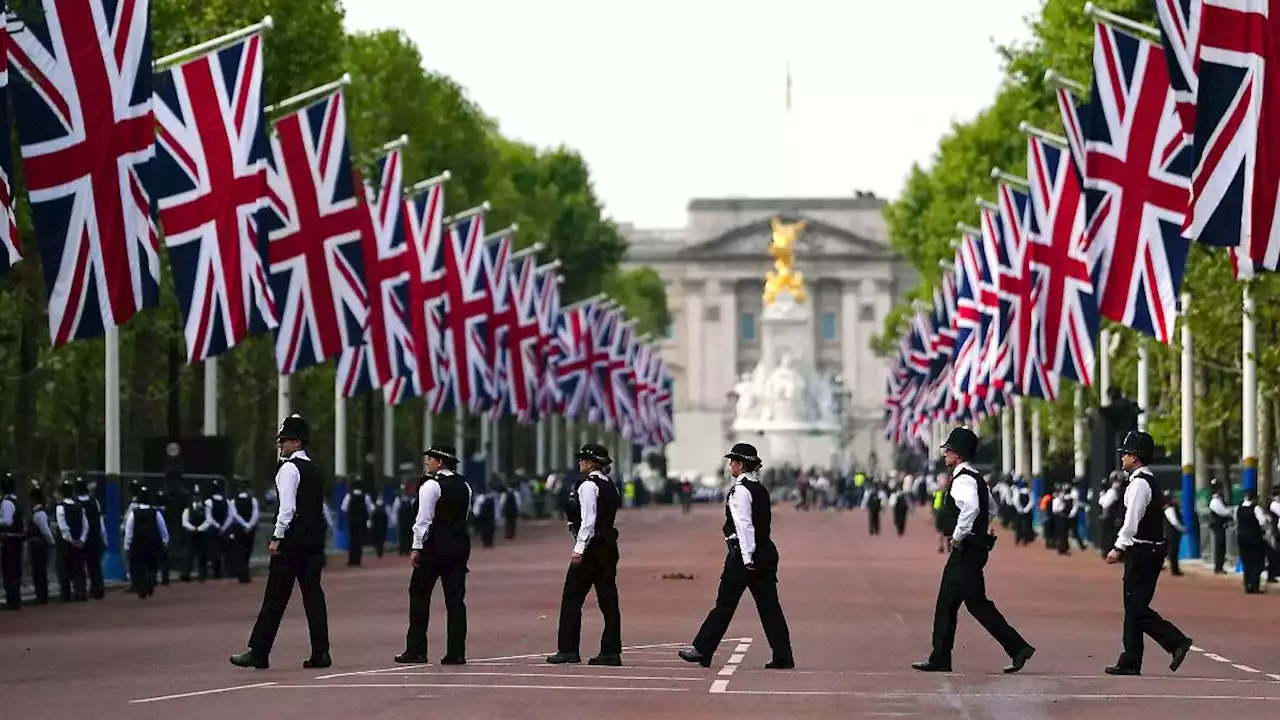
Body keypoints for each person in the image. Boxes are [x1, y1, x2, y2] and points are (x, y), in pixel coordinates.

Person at [912, 427, 1035, 674]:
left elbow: (971, 508)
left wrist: (959, 536)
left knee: (975, 604)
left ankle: (1017, 647)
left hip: (966, 549)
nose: (945, 454)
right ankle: (940, 656)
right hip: (974, 546)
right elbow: (990, 509)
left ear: (958, 453)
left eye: (948, 449)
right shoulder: (974, 476)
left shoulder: (964, 479)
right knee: (950, 602)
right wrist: (980, 530)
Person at [680, 443, 794, 670]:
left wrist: (748, 557)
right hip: (765, 553)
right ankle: (783, 655)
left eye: (733, 461)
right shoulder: (759, 488)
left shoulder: (740, 490)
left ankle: (703, 649)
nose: (730, 465)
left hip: (745, 557)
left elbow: (744, 526)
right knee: (770, 607)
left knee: (724, 605)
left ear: (740, 465)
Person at [231, 414, 331, 670]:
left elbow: (287, 507)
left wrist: (277, 536)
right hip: (313, 540)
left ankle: (259, 651)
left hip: (292, 540)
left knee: (275, 596)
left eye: (284, 440)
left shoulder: (288, 469)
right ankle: (321, 653)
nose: (280, 444)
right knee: (313, 597)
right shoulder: (315, 470)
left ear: (296, 442)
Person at [1103, 431, 1193, 676]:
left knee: (1136, 607)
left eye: (1126, 454)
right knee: (1134, 605)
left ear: (1135, 457)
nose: (1122, 458)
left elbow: (1132, 521)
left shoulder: (1140, 484)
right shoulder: (1143, 481)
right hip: (1147, 549)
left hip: (1142, 550)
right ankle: (1130, 659)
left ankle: (1175, 641)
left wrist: (1118, 547)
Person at [547, 443, 623, 666]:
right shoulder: (610, 485)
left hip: (592, 547)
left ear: (590, 463)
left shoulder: (588, 486)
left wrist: (579, 548)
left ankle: (568, 649)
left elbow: (589, 521)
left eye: (582, 459)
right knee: (608, 599)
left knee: (572, 596)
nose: (579, 462)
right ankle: (611, 651)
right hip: (609, 545)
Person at [397, 445, 472, 665]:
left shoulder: (431, 485)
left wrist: (416, 547)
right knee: (456, 600)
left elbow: (423, 520)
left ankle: (416, 649)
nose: (427, 462)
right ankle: (456, 652)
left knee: (419, 595)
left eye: (430, 459)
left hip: (434, 547)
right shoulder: (464, 485)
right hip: (458, 546)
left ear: (440, 462)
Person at [124, 485, 170, 599]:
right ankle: (150, 581)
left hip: (138, 543)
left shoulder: (133, 513)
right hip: (152, 543)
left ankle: (140, 587)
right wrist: (165, 540)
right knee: (152, 565)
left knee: (137, 566)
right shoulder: (155, 512)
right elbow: (162, 528)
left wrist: (127, 545)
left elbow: (129, 530)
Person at [54, 479, 88, 603]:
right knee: (78, 568)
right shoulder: (79, 507)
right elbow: (85, 524)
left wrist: (69, 538)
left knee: (63, 568)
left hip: (65, 543)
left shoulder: (60, 508)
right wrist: (81, 539)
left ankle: (66, 594)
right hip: (79, 542)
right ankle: (81, 592)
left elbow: (62, 525)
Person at [73, 478, 107, 600]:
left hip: (79, 539)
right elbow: (100, 520)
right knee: (95, 566)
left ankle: (81, 591)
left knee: (79, 566)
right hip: (94, 537)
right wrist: (104, 536)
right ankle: (97, 590)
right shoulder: (94, 502)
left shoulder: (74, 503)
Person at [1235, 489, 1268, 594]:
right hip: (1254, 537)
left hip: (1242, 537)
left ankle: (1247, 584)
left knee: (1246, 562)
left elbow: (1236, 521)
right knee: (1258, 562)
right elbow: (1262, 522)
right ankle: (1253, 584)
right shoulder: (1256, 508)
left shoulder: (1238, 508)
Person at [26, 483, 54, 605]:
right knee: (38, 571)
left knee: (39, 571)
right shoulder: (38, 512)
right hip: (38, 545)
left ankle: (41, 596)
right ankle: (41, 594)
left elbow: (46, 531)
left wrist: (51, 542)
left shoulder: (39, 514)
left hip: (38, 545)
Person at [181, 486, 215, 582]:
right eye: (195, 495)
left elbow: (209, 520)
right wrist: (192, 528)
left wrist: (199, 528)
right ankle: (187, 573)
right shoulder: (188, 507)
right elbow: (185, 521)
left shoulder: (206, 507)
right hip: (192, 534)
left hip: (202, 534)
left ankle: (202, 574)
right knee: (189, 555)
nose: (196, 497)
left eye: (198, 495)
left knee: (202, 555)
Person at [229, 480, 260, 583]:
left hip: (239, 529)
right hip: (250, 530)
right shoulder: (253, 500)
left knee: (239, 551)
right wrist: (249, 525)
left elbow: (234, 514)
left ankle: (242, 574)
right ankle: (245, 573)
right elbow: (255, 514)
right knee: (248, 551)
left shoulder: (234, 501)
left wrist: (244, 524)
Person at [0, 473, 22, 610]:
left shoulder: (7, 502)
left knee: (9, 570)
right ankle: (15, 597)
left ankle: (12, 599)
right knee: (15, 569)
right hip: (17, 538)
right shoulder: (16, 500)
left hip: (9, 538)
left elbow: (8, 521)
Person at [342, 480, 374, 567]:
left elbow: (344, 508)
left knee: (352, 540)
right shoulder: (365, 496)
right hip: (361, 521)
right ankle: (358, 560)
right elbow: (370, 508)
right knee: (359, 540)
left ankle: (351, 560)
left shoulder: (349, 495)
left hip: (352, 521)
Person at [1207, 480, 1232, 574]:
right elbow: (1223, 512)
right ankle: (1218, 567)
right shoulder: (1215, 501)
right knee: (1219, 547)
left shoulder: (1220, 500)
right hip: (1218, 526)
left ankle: (1220, 566)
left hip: (1221, 526)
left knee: (1221, 547)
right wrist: (1231, 511)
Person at [1162, 491, 1185, 577]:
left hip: (1173, 533)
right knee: (1173, 551)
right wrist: (1182, 529)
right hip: (1172, 533)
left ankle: (1175, 569)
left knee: (1174, 551)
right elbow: (1174, 522)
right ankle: (1174, 570)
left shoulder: (1172, 508)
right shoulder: (1169, 509)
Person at [394, 482, 416, 556]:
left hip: (409, 520)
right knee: (401, 535)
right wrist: (394, 519)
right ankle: (401, 549)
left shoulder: (411, 498)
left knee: (408, 535)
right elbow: (395, 509)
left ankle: (406, 549)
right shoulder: (398, 499)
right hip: (401, 520)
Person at [370, 493, 389, 559]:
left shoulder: (374, 507)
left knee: (378, 538)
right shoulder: (384, 507)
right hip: (381, 525)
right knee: (380, 539)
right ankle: (380, 551)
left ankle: (379, 550)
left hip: (377, 525)